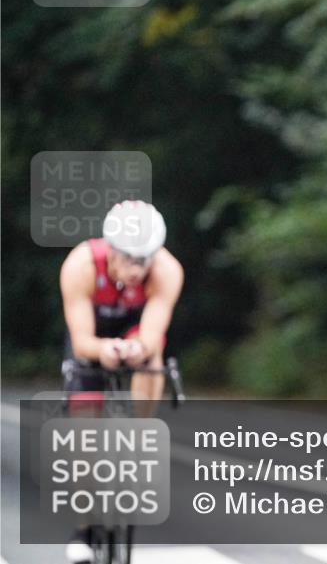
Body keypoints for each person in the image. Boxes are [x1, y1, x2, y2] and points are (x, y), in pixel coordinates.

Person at [59, 200, 184, 564]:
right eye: (128, 257)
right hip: (92, 331)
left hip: (135, 328)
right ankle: (84, 528)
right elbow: (82, 340)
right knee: (84, 432)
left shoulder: (167, 270)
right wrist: (104, 350)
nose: (136, 268)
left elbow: (153, 330)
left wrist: (137, 347)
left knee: (152, 358)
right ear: (111, 247)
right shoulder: (80, 265)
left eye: (144, 258)